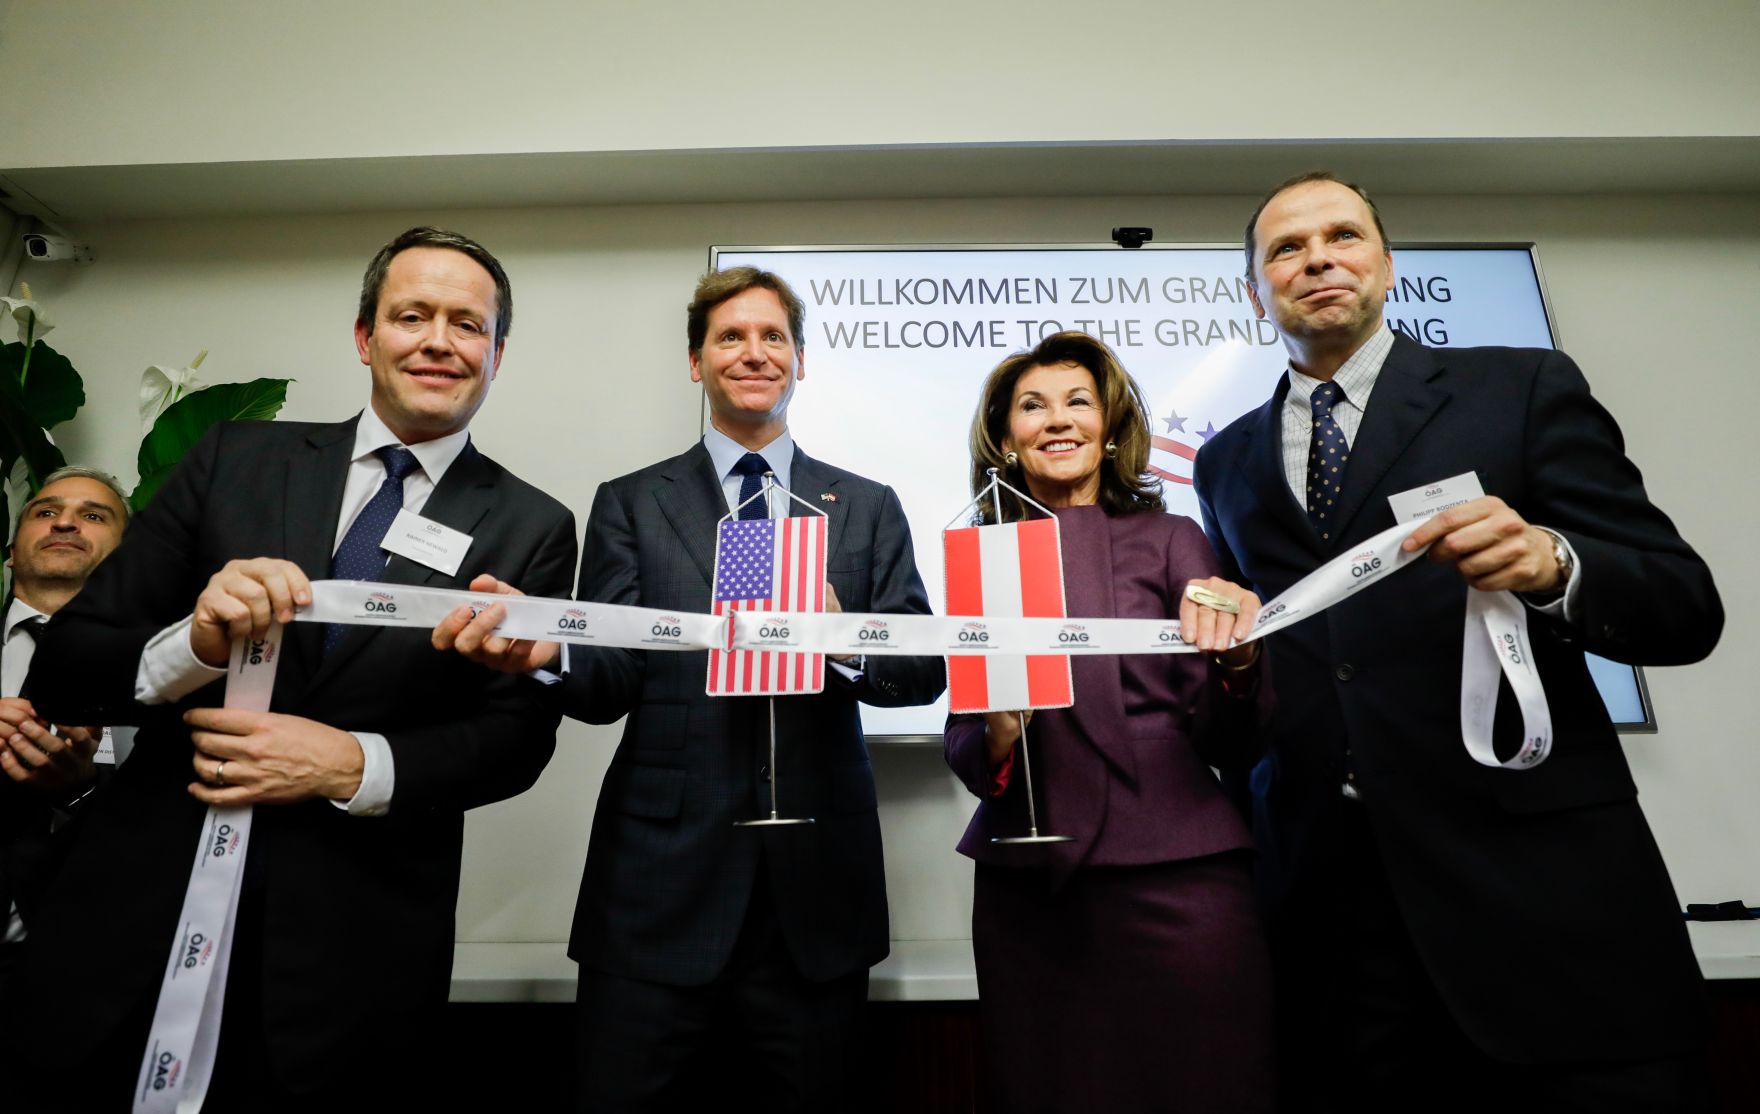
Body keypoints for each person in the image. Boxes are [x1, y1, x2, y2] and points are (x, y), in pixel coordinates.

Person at [5, 227, 577, 1111]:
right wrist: (193, 641)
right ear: (365, 337)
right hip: (131, 927)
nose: (437, 339)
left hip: (349, 965)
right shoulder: (235, 458)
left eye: (467, 324)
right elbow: (69, 671)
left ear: (496, 353)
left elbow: (514, 742)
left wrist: (351, 764)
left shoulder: (532, 526)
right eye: (411, 314)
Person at [1194, 171, 1723, 1112]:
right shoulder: (1223, 458)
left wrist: (1554, 561)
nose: (1318, 257)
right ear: (1253, 290)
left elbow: (1684, 605)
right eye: (1286, 247)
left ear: (1387, 266)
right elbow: (1279, 670)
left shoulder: (1518, 387)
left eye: (1343, 236)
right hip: (1332, 910)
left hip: (1540, 895)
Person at [434, 266, 944, 1112]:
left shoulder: (864, 507)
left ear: (802, 361)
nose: (754, 353)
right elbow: (609, 681)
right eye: (730, 338)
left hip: (816, 892)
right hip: (655, 890)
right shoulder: (632, 503)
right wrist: (547, 652)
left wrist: (844, 633)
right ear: (695, 362)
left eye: (773, 337)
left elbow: (920, 674)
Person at [943, 331, 1274, 1113]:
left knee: (1214, 1087)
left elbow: (1235, 734)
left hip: (1183, 872)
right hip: (1031, 891)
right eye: (1032, 405)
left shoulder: (1173, 539)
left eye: (1078, 402)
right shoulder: (983, 557)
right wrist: (995, 730)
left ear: (1113, 427)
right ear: (1004, 436)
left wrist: (1240, 661)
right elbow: (963, 740)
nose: (1057, 420)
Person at [0, 466, 131, 997]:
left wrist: (77, 793)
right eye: (46, 512)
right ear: (11, 551)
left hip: (89, 972)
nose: (66, 524)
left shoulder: (173, 670)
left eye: (93, 515)